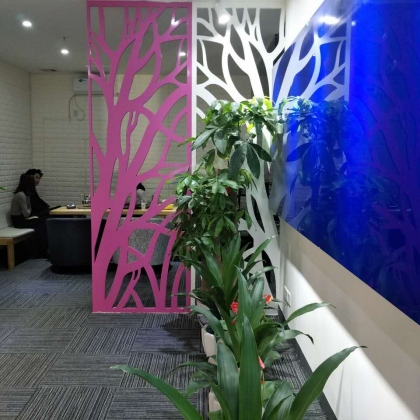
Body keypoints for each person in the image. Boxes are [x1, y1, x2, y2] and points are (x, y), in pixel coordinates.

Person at [11, 174, 48, 257]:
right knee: (42, 224)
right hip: (19, 221)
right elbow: (26, 213)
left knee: (44, 221)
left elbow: (27, 211)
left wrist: (29, 207)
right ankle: (41, 251)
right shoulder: (21, 195)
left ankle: (42, 250)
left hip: (22, 219)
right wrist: (29, 206)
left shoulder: (25, 194)